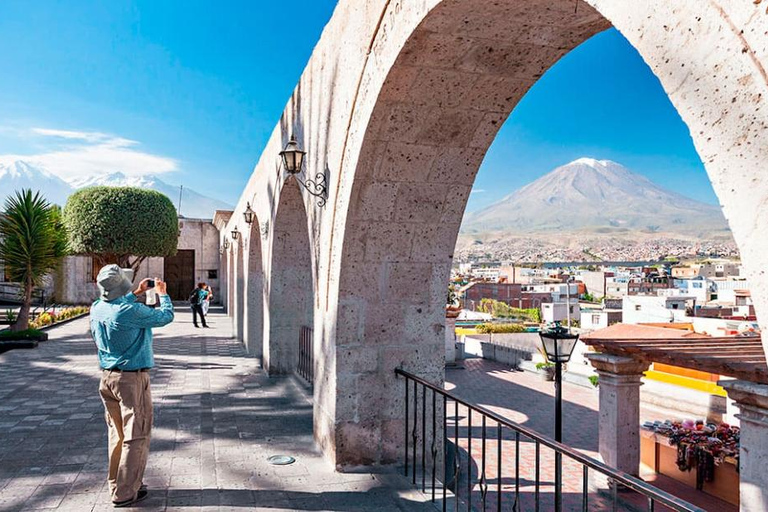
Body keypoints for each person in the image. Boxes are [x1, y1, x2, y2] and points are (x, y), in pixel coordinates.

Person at [90, 264, 174, 507]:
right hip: (131, 380)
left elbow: (119, 305)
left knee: (117, 434)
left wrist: (136, 292)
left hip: (108, 378)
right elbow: (165, 317)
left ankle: (118, 484)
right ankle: (125, 492)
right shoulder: (129, 311)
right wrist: (163, 294)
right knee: (136, 435)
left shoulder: (97, 308)